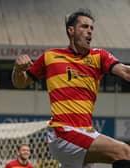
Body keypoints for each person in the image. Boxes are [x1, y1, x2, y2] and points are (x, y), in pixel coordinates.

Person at [12, 8, 130, 168]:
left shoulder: (99, 56)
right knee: (124, 152)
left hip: (86, 132)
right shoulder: (50, 56)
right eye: (84, 27)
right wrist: (18, 70)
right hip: (63, 132)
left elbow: (124, 71)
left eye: (91, 28)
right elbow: (21, 83)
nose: (89, 31)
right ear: (71, 30)